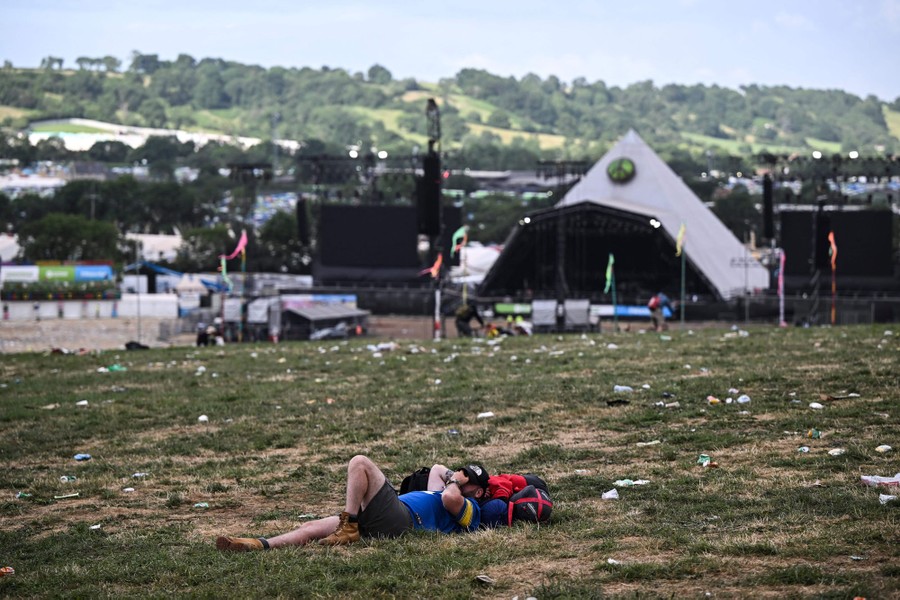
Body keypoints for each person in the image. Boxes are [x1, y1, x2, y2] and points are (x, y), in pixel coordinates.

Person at [216, 456, 490, 552]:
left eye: (469, 483)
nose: (460, 482)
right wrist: (452, 475)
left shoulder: (471, 510)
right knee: (312, 527)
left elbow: (450, 497)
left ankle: (349, 524)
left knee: (360, 463)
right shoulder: (443, 490)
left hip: (403, 520)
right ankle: (257, 544)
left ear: (477, 493)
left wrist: (454, 482)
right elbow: (436, 468)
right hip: (387, 518)